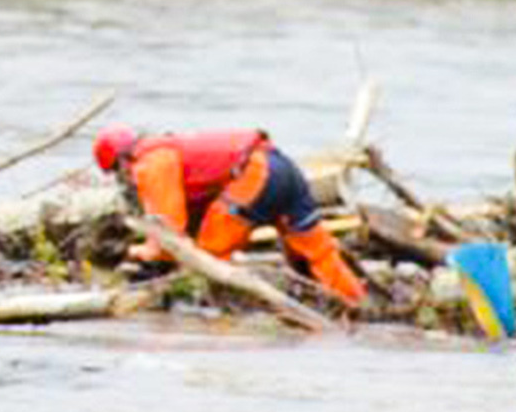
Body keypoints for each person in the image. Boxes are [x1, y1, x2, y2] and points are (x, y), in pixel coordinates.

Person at [92, 124, 366, 306]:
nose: (124, 179)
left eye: (118, 173)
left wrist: (141, 252)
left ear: (121, 162)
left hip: (254, 174)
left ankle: (226, 322)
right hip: (282, 167)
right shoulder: (168, 148)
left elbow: (169, 232)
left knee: (210, 256)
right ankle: (357, 304)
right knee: (319, 254)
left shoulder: (150, 164)